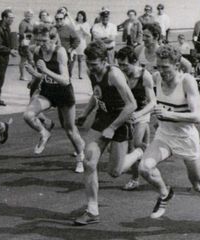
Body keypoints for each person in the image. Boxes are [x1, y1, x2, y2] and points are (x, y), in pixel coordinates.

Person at [138, 45, 200, 234]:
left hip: (185, 138)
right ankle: (165, 193)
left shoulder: (187, 81)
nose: (162, 71)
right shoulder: (156, 79)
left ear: (177, 65)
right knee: (144, 168)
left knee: (198, 185)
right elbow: (152, 103)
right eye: (159, 66)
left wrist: (169, 114)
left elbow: (197, 117)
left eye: (166, 67)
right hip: (165, 136)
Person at [73, 40, 137, 226]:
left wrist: (113, 127)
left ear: (104, 60)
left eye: (94, 64)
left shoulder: (114, 74)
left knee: (115, 172)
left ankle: (139, 152)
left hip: (120, 122)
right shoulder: (91, 72)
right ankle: (92, 210)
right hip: (102, 119)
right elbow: (97, 93)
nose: (90, 67)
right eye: (88, 63)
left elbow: (131, 105)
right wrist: (85, 113)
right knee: (88, 162)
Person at [23, 24, 85, 172]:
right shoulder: (37, 50)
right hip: (48, 91)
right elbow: (43, 76)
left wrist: (45, 70)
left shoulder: (60, 52)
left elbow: (65, 80)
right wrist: (34, 75)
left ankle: (81, 157)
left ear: (53, 38)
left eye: (44, 40)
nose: (41, 44)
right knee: (28, 115)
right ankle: (44, 133)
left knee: (69, 130)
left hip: (63, 92)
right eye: (38, 40)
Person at [115, 46, 155, 191]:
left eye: (125, 64)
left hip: (142, 113)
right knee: (128, 148)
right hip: (127, 113)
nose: (122, 67)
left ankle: (135, 178)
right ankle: (150, 151)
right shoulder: (120, 74)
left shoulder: (145, 76)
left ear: (135, 62)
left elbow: (153, 102)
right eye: (119, 64)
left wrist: (139, 114)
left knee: (136, 144)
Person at [0, 9, 18, 106]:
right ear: (4, 18)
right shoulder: (0, 29)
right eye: (10, 18)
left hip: (1, 56)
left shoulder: (5, 27)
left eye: (13, 18)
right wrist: (10, 50)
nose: (12, 20)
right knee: (0, 77)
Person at [55, 12, 80, 79]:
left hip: (66, 54)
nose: (59, 20)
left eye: (61, 19)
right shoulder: (53, 29)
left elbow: (77, 40)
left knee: (67, 74)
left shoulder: (69, 29)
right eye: (57, 19)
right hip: (54, 54)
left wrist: (71, 49)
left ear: (64, 19)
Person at [18, 10, 34, 81]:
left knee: (24, 60)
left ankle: (23, 76)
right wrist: (31, 35)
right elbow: (21, 34)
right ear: (25, 15)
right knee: (29, 59)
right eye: (27, 16)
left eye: (30, 16)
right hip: (25, 44)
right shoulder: (23, 23)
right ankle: (24, 76)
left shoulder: (28, 23)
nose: (29, 17)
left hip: (28, 44)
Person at [74, 11, 90, 79]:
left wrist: (83, 30)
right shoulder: (75, 23)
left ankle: (80, 74)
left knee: (80, 59)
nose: (79, 17)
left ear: (84, 16)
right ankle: (70, 74)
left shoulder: (86, 24)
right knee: (73, 58)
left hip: (82, 42)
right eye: (78, 15)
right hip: (74, 42)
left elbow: (88, 34)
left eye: (81, 16)